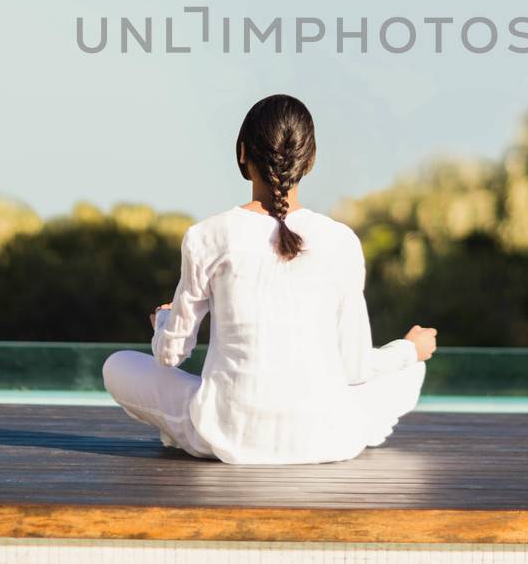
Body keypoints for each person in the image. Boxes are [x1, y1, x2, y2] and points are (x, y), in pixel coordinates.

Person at [102, 94, 438, 464]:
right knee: (409, 370)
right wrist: (408, 349)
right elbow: (354, 368)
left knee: (117, 365)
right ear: (309, 161)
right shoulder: (341, 240)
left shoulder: (207, 235)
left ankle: (178, 432)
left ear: (243, 153)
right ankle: (363, 420)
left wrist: (162, 321)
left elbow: (169, 354)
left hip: (225, 436)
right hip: (326, 438)